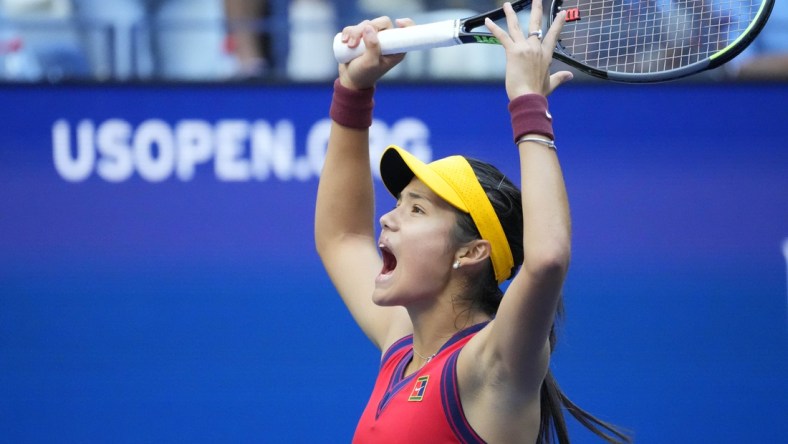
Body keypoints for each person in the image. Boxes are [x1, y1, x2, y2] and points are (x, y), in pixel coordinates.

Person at [315, 1, 631, 442]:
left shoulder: (490, 363)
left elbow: (547, 260)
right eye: (400, 203)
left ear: (471, 252)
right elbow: (341, 236)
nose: (387, 218)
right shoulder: (402, 347)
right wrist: (354, 88)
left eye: (417, 209)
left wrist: (528, 102)